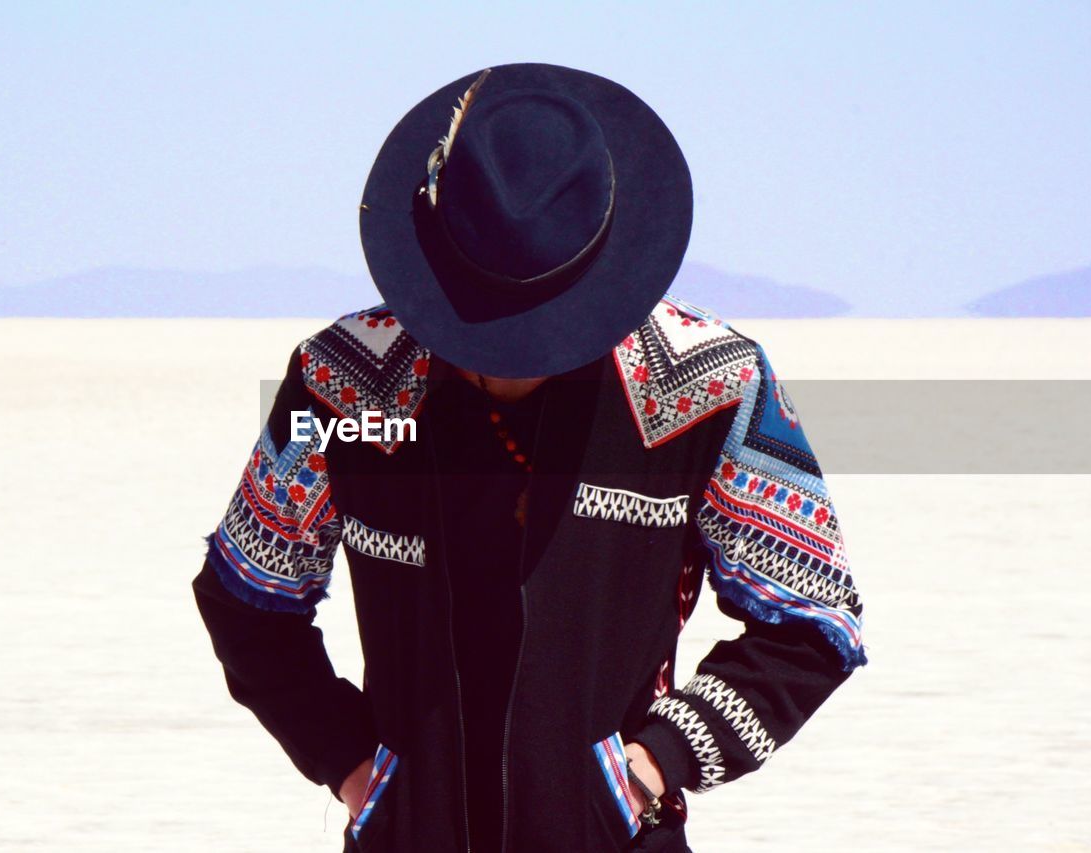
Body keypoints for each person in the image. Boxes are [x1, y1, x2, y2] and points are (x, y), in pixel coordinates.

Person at [191, 62, 868, 853]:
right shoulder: (343, 389)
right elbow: (247, 592)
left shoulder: (712, 386)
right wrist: (347, 763)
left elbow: (815, 618)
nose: (514, 353)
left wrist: (653, 762)